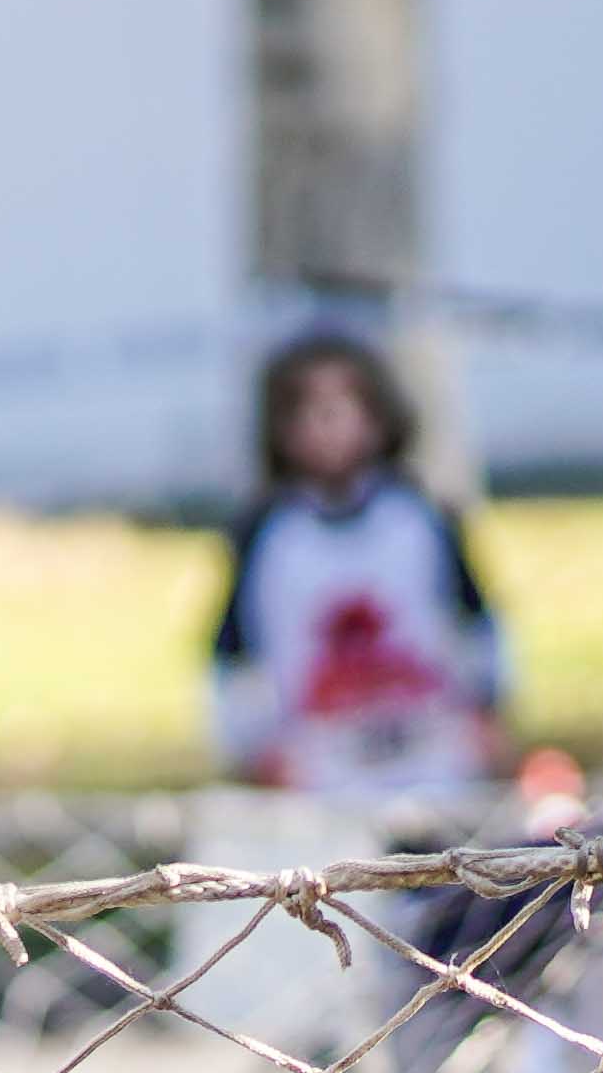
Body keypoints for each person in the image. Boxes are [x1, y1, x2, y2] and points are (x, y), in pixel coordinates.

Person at [206, 332, 513, 801]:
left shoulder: (420, 517)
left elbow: (476, 626)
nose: (328, 425)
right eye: (308, 409)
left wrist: (485, 714)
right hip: (315, 769)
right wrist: (255, 749)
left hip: (433, 759)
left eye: (344, 404)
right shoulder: (267, 534)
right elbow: (235, 657)